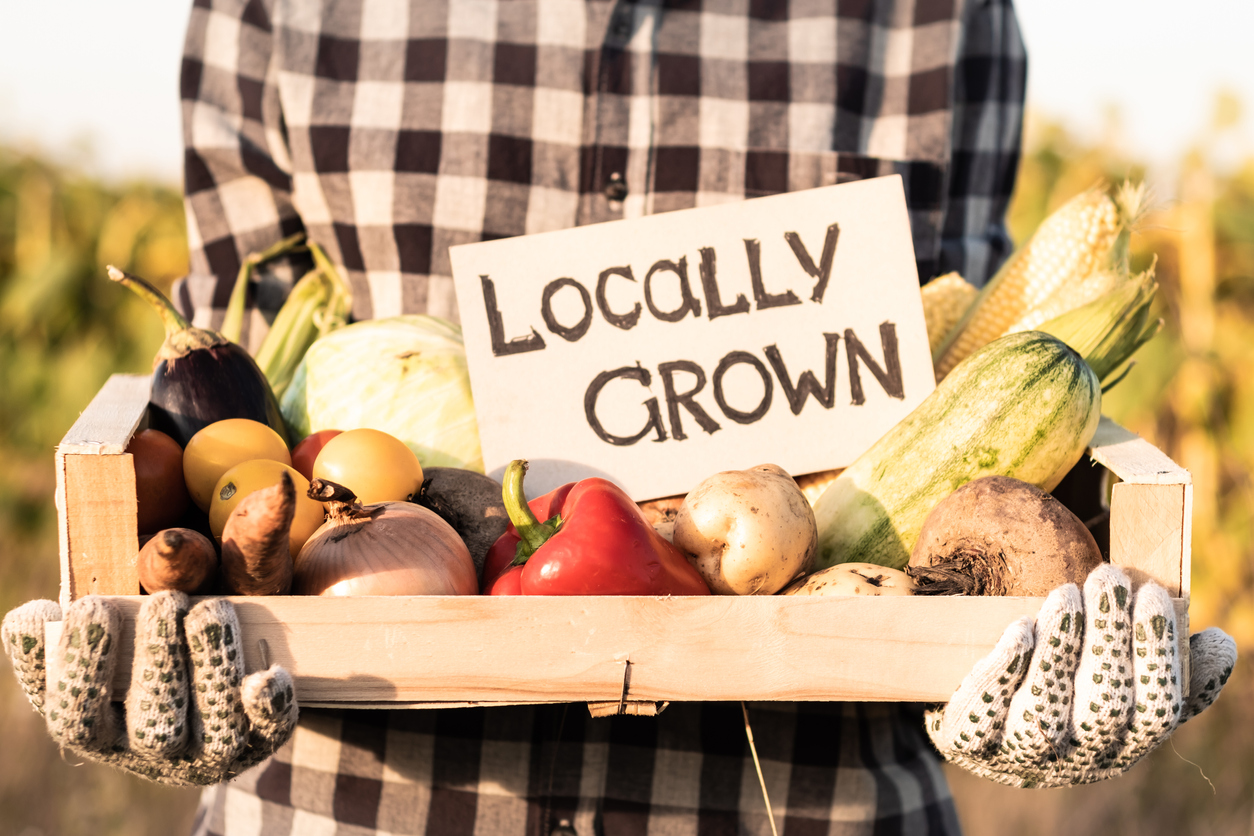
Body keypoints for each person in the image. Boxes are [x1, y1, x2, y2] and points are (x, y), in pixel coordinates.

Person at [0, 2, 1236, 835]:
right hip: (344, 801)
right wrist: (175, 615)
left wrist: (1009, 662)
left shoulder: (931, 13)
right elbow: (228, 402)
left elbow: (943, 393)